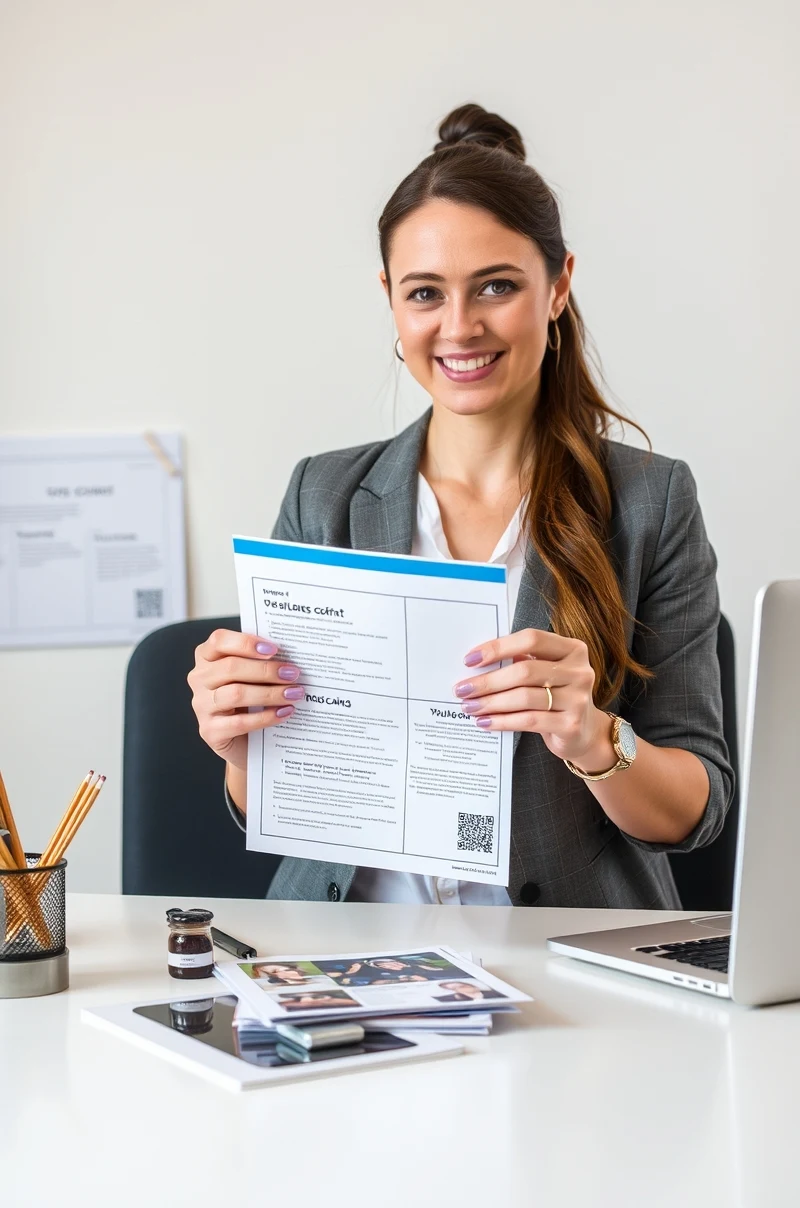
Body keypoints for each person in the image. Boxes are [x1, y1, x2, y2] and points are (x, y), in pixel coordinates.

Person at [188, 101, 733, 910]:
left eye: (497, 286)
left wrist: (591, 735)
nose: (459, 327)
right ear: (391, 299)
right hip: (346, 950)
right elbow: (276, 800)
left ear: (559, 286)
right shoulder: (322, 493)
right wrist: (241, 748)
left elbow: (699, 808)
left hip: (564, 958)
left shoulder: (652, 503)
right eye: (424, 294)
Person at [434, 980, 504, 1003]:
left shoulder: (495, 993)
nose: (466, 987)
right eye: (457, 988)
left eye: (463, 985)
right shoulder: (455, 1000)